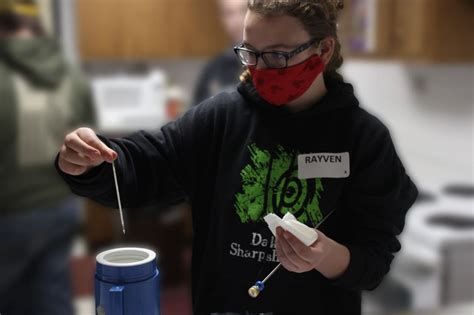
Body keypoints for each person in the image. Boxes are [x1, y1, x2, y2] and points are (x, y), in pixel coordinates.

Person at [55, 0, 418, 314]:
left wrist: (325, 256)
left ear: (322, 51)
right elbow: (150, 164)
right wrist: (94, 162)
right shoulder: (221, 118)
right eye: (250, 52)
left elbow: (373, 259)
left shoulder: (363, 139)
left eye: (277, 55)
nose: (260, 69)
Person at [0, 1, 95, 314]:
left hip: (11, 212)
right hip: (62, 208)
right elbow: (88, 136)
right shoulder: (68, 73)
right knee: (51, 296)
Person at [192, 0, 247, 104]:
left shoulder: (273, 63)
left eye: (243, 11)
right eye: (228, 13)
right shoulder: (213, 70)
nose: (236, 21)